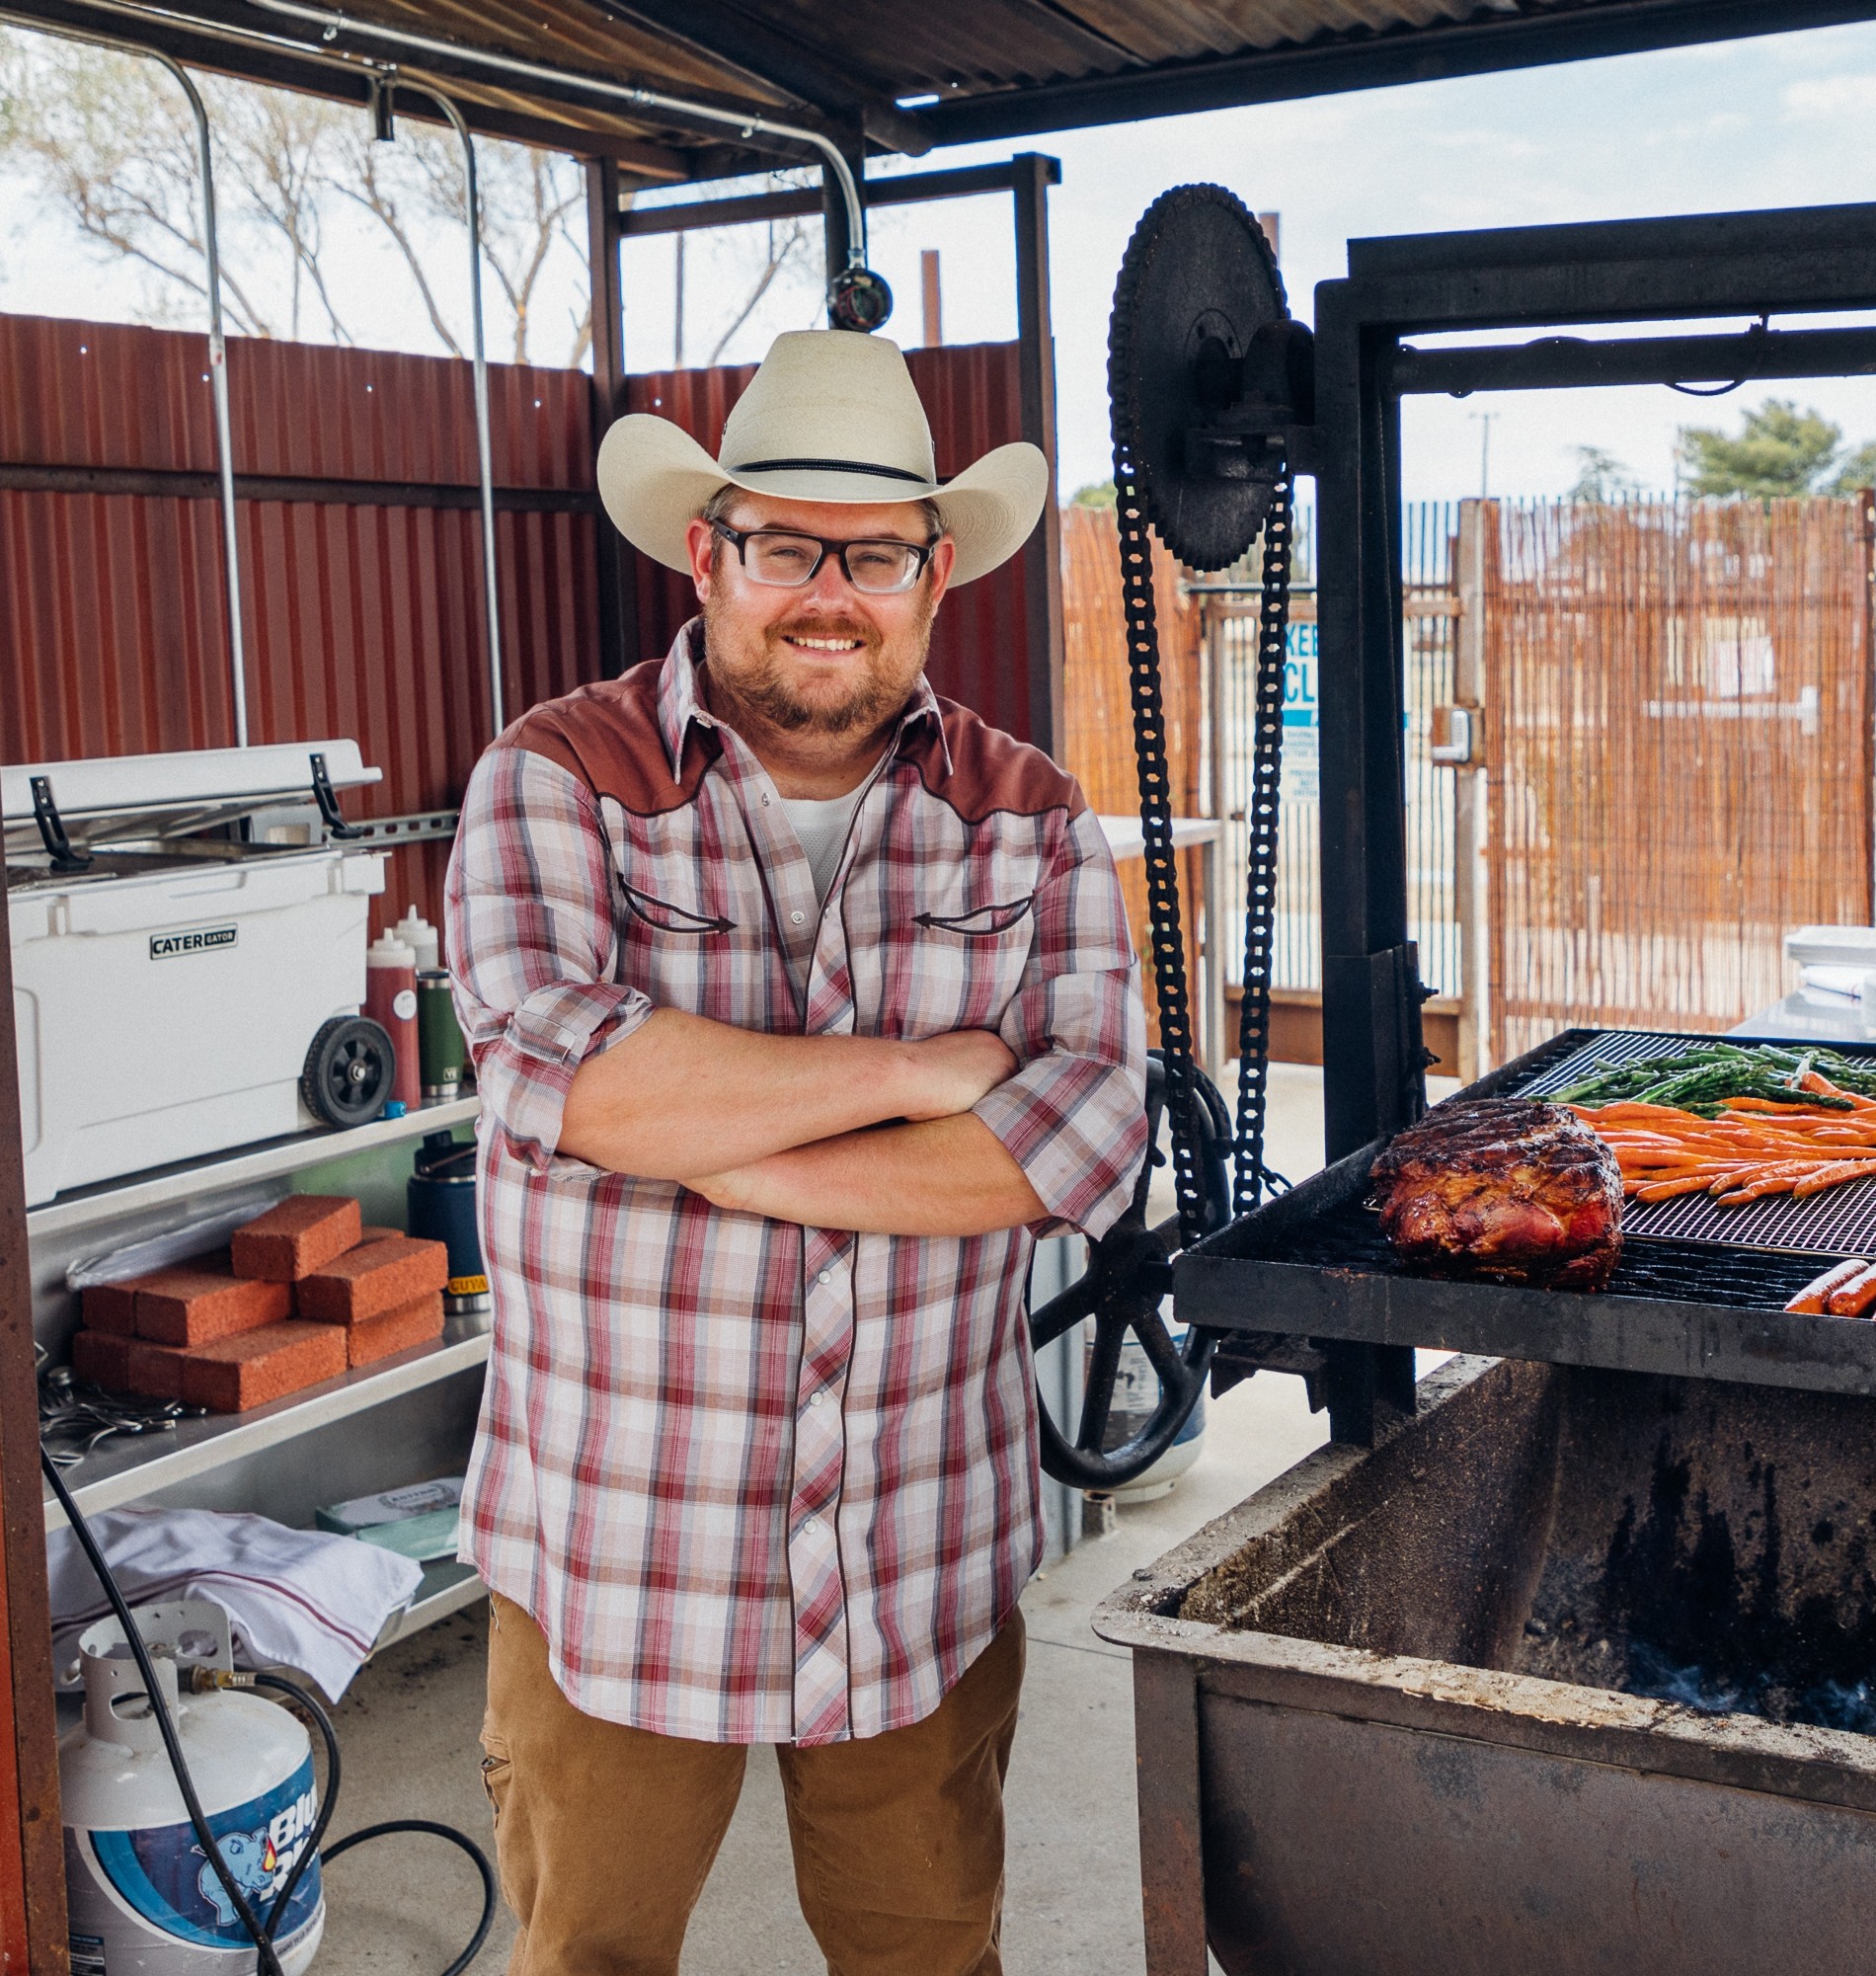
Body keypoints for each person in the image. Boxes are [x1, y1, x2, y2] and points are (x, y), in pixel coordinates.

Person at [444, 330, 1148, 1973]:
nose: (827, 592)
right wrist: (922, 1072)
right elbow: (574, 1077)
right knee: (586, 1959)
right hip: (617, 1553)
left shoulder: (1031, 817)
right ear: (709, 551)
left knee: (929, 1953)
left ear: (937, 568)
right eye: (781, 545)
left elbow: (1082, 1140)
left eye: (876, 551)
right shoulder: (557, 779)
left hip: (918, 1544)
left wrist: (718, 1143)